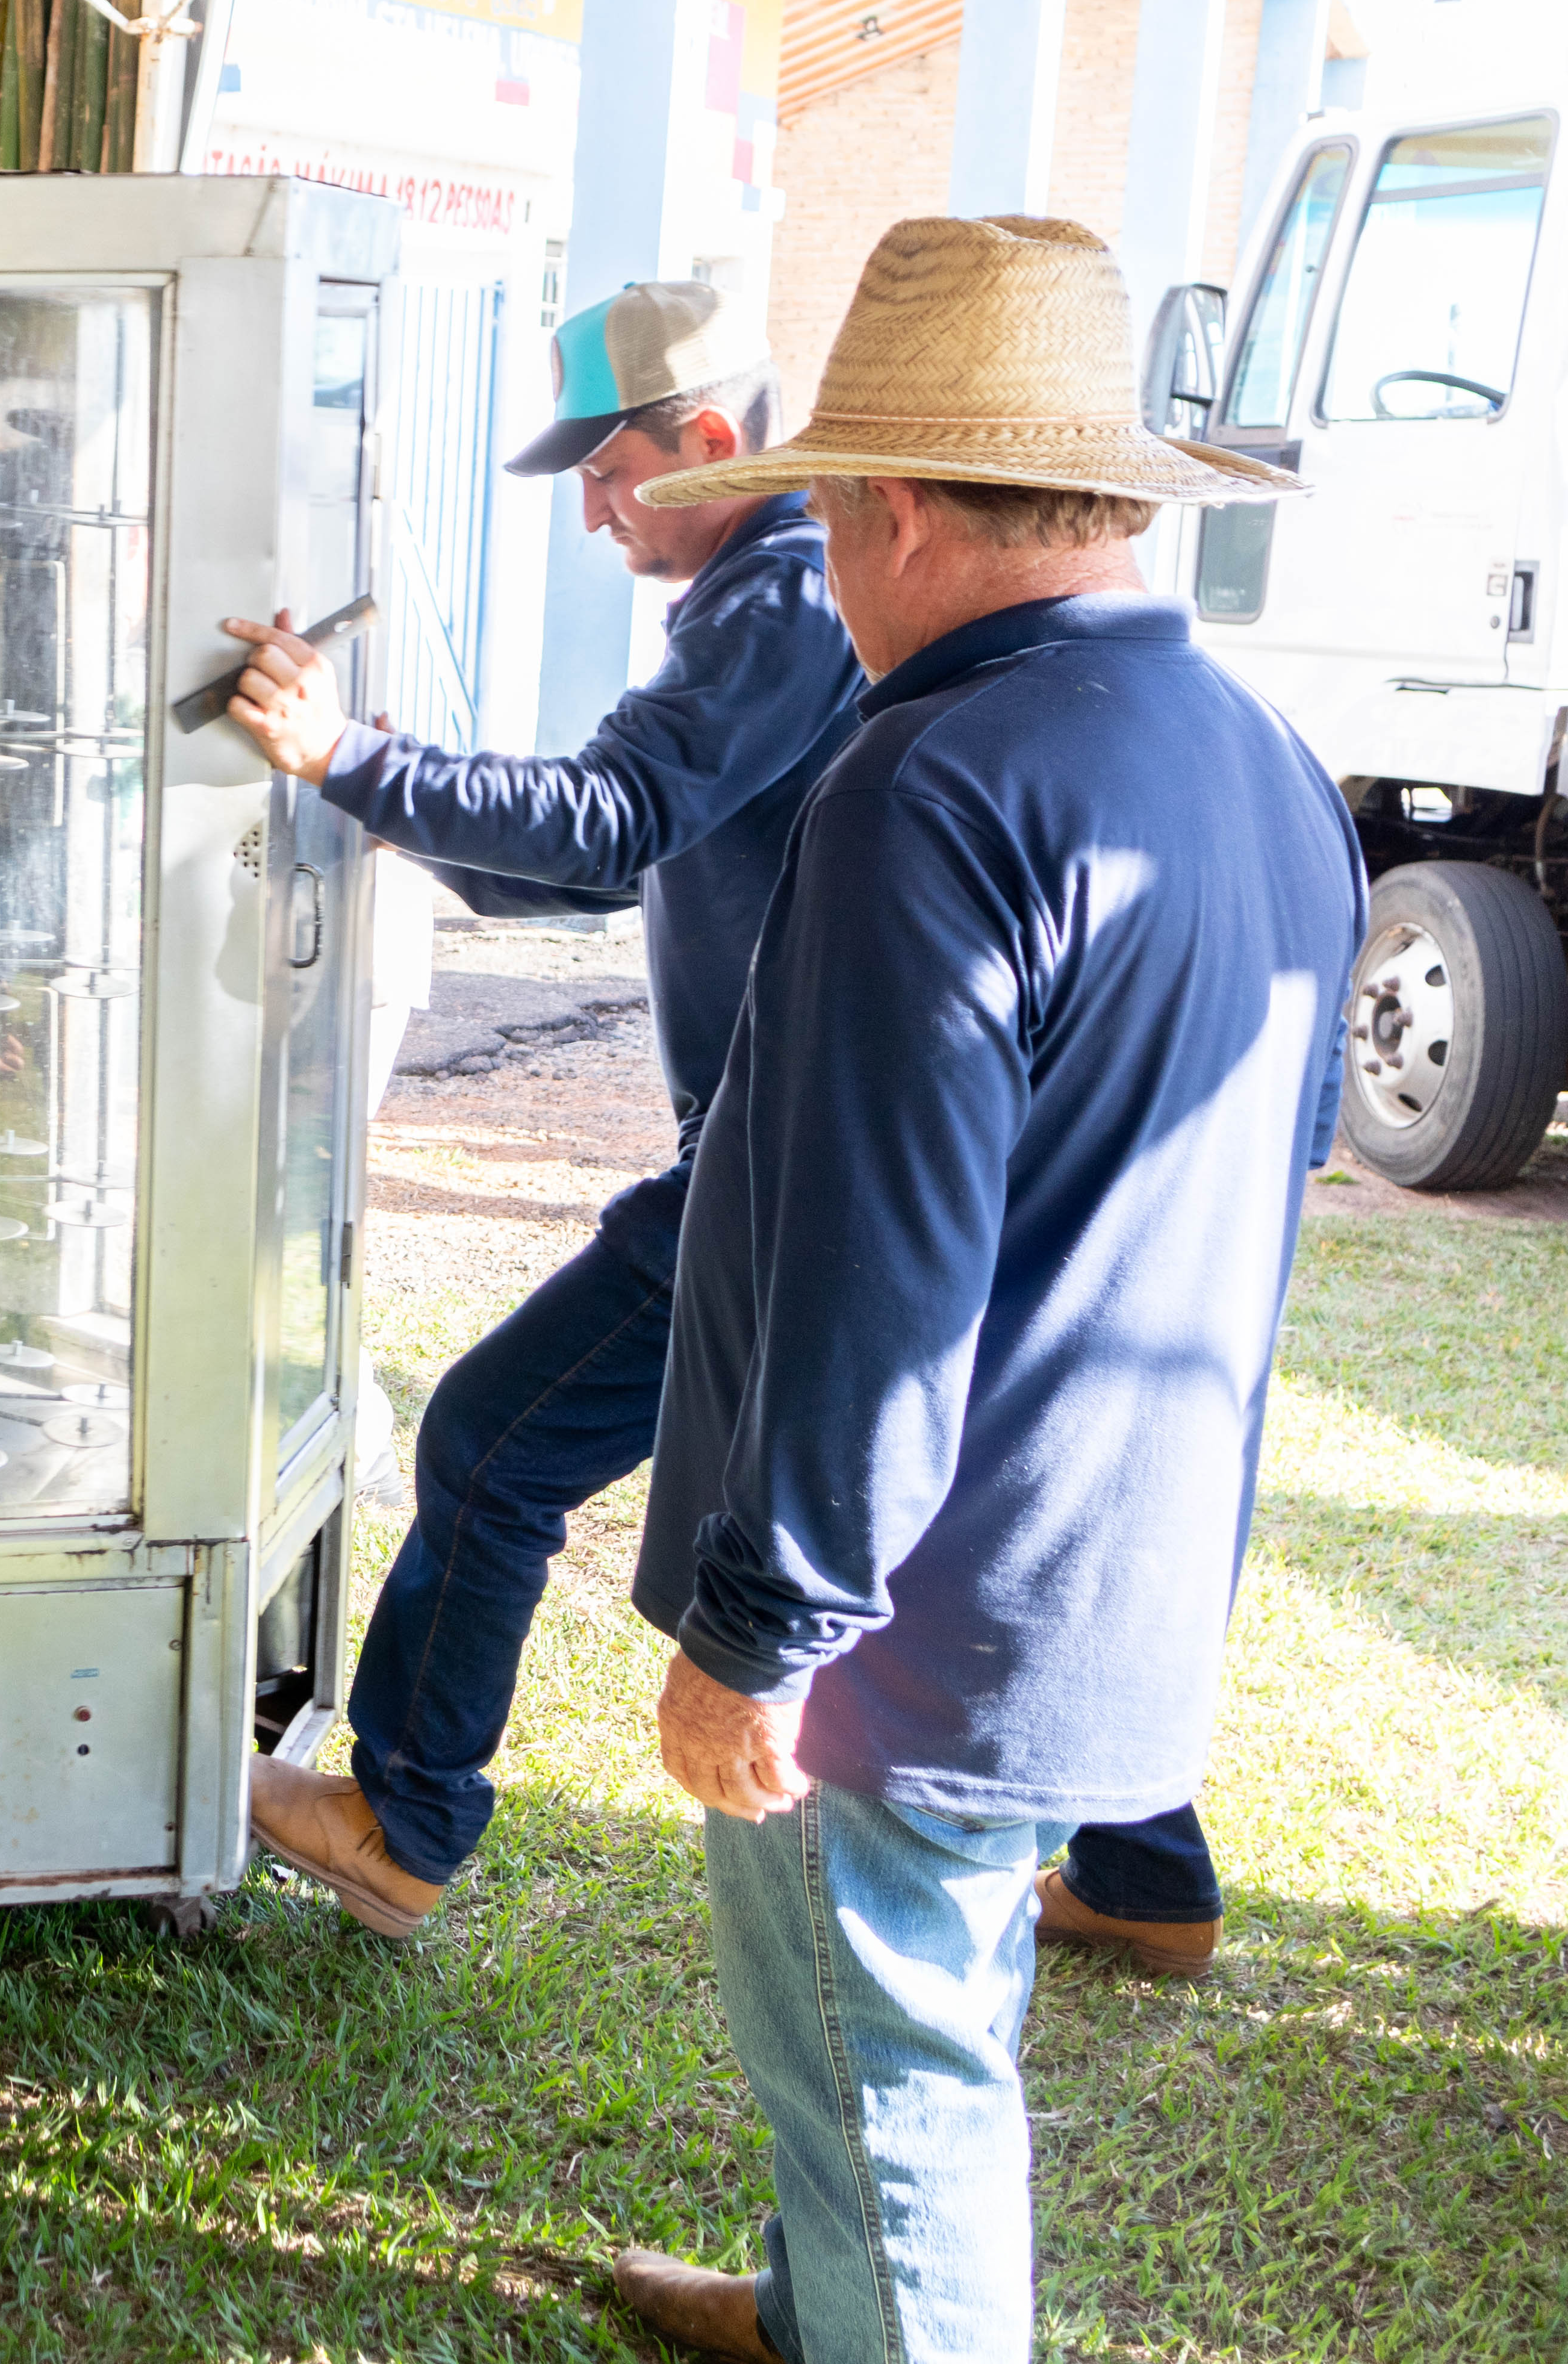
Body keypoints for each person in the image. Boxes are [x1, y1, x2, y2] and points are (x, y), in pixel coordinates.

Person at [221, 281, 1239, 1981]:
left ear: (714, 446)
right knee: (985, 1483)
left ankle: (405, 1824)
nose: (591, 507)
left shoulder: (777, 596)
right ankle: (1148, 1873)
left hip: (791, 1151)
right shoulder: (784, 601)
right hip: (852, 1141)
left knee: (492, 1437)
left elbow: (614, 818)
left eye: (608, 470)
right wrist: (382, 790)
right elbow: (621, 848)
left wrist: (344, 759)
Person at [608, 216, 1360, 2362]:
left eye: (832, 512)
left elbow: (881, 1271)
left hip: (918, 1609)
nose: (827, 569)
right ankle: (816, 2300)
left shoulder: (929, 782)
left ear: (902, 507)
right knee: (928, 2020)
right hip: (1107, 1569)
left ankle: (874, 2311)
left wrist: (764, 1630)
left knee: (889, 2068)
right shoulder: (1266, 764)